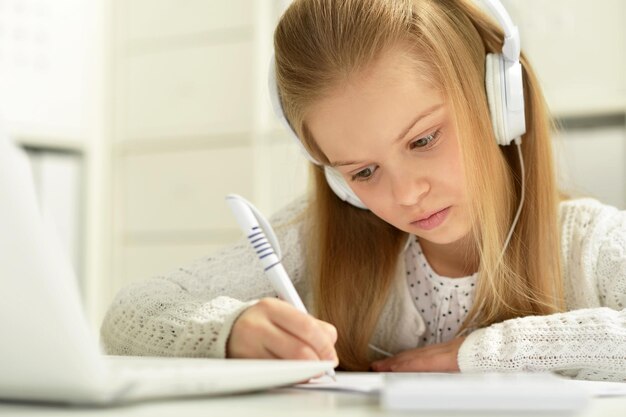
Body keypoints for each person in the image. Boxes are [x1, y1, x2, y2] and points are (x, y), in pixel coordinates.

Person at [101, 0, 626, 381]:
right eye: (363, 172)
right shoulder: (313, 242)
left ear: (498, 103)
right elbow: (130, 314)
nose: (406, 193)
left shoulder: (591, 244)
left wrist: (488, 351)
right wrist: (232, 328)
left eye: (423, 139)